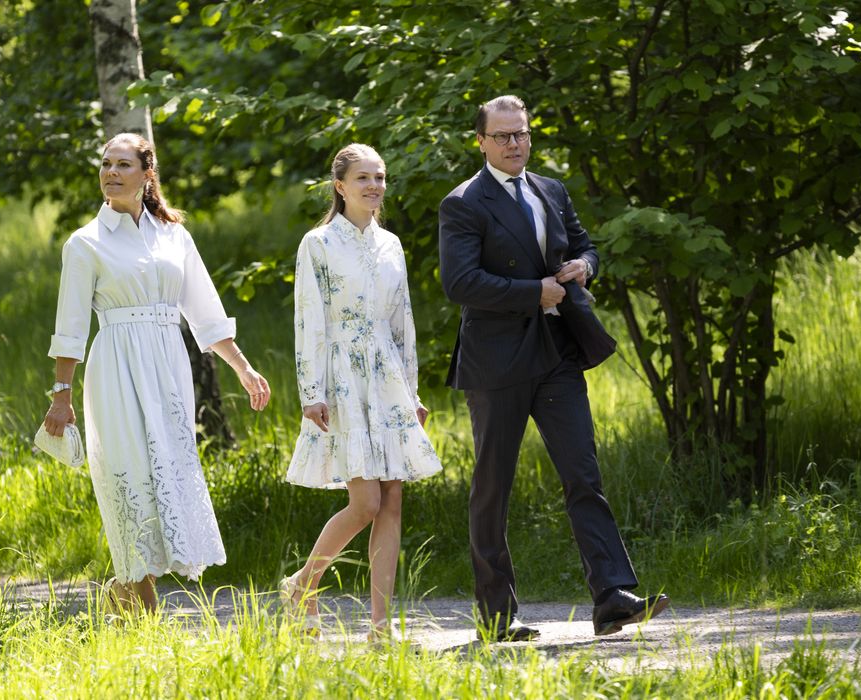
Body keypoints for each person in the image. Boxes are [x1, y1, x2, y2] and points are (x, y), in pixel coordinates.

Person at [438, 95, 668, 641]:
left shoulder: (550, 189)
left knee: (583, 475)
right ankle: (497, 616)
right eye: (503, 136)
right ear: (482, 142)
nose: (514, 143)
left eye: (521, 134)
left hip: (557, 352)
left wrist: (584, 265)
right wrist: (533, 291)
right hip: (497, 363)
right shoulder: (464, 203)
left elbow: (585, 243)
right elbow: (460, 283)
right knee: (493, 486)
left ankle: (612, 597)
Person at [43, 132, 271, 615]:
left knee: (165, 474)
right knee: (131, 480)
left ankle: (119, 596)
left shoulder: (175, 236)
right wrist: (61, 395)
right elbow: (70, 327)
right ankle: (145, 619)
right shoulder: (84, 243)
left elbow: (206, 314)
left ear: (148, 174)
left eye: (123, 164)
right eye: (106, 163)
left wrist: (245, 370)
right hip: (116, 370)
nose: (111, 172)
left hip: (168, 371)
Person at [281, 143, 442, 641]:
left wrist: (411, 391)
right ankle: (302, 584)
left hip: (387, 377)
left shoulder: (391, 244)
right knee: (366, 502)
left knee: (392, 501)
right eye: (363, 178)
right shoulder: (319, 243)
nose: (374, 185)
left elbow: (403, 323)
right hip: (341, 377)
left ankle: (380, 626)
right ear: (340, 186)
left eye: (380, 177)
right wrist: (312, 390)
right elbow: (308, 319)